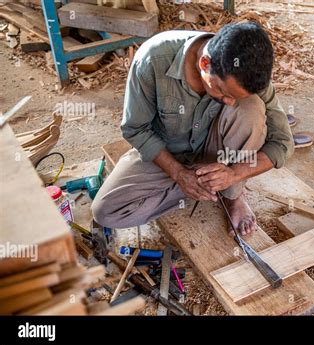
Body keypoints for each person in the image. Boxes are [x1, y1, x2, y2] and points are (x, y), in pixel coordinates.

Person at [92, 22, 294, 236]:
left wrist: (234, 174)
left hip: (220, 153)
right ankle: (207, 186)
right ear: (205, 63)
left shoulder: (247, 71)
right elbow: (136, 129)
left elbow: (282, 142)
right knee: (106, 211)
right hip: (168, 153)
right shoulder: (153, 59)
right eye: (223, 92)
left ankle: (233, 195)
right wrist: (179, 174)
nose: (229, 102)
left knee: (251, 109)